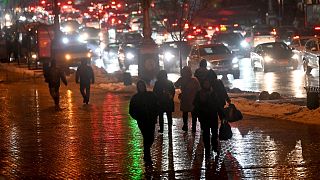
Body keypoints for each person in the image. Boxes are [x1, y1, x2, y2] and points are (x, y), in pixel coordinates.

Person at [129, 80, 159, 165]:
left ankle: (146, 152)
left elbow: (156, 105)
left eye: (142, 86)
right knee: (146, 137)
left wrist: (155, 114)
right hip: (142, 121)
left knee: (151, 138)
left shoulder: (150, 95)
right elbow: (131, 110)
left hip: (151, 120)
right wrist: (137, 117)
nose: (141, 88)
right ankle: (147, 156)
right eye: (140, 86)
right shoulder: (135, 98)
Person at [193, 78, 221, 158]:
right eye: (205, 83)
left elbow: (218, 105)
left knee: (215, 133)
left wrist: (222, 115)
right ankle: (207, 149)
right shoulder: (199, 93)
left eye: (208, 83)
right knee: (206, 134)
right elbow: (195, 104)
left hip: (213, 116)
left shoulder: (213, 93)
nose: (206, 85)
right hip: (204, 117)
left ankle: (214, 146)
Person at [174, 66, 200, 132]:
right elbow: (199, 89)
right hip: (193, 99)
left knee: (185, 113)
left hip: (185, 98)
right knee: (194, 114)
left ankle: (185, 125)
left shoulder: (181, 79)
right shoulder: (194, 80)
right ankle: (193, 127)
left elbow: (175, 85)